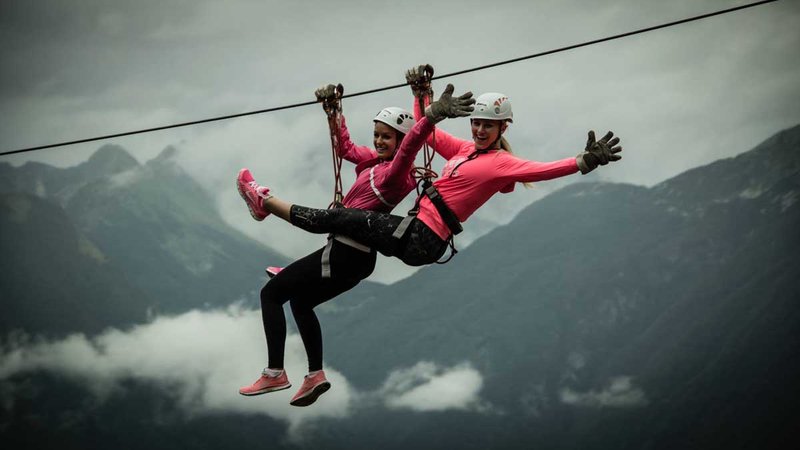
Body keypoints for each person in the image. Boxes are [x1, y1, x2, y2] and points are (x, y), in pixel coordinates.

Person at [236, 71, 621, 270]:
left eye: (488, 125)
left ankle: (264, 200)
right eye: (477, 123)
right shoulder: (466, 150)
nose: (479, 129)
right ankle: (298, 269)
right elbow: (427, 135)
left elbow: (541, 170)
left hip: (422, 237)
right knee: (345, 225)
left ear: (503, 128)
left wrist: (583, 162)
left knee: (338, 217)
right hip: (414, 234)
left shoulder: (501, 164)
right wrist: (422, 93)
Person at [236, 83, 470, 406]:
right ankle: (314, 375)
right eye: (377, 134)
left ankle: (275, 372)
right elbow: (345, 149)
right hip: (354, 255)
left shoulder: (395, 174)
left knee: (271, 293)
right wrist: (336, 113)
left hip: (347, 251)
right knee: (300, 302)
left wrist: (430, 118)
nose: (378, 141)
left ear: (400, 142)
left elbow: (412, 144)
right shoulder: (375, 162)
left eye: (386, 137)